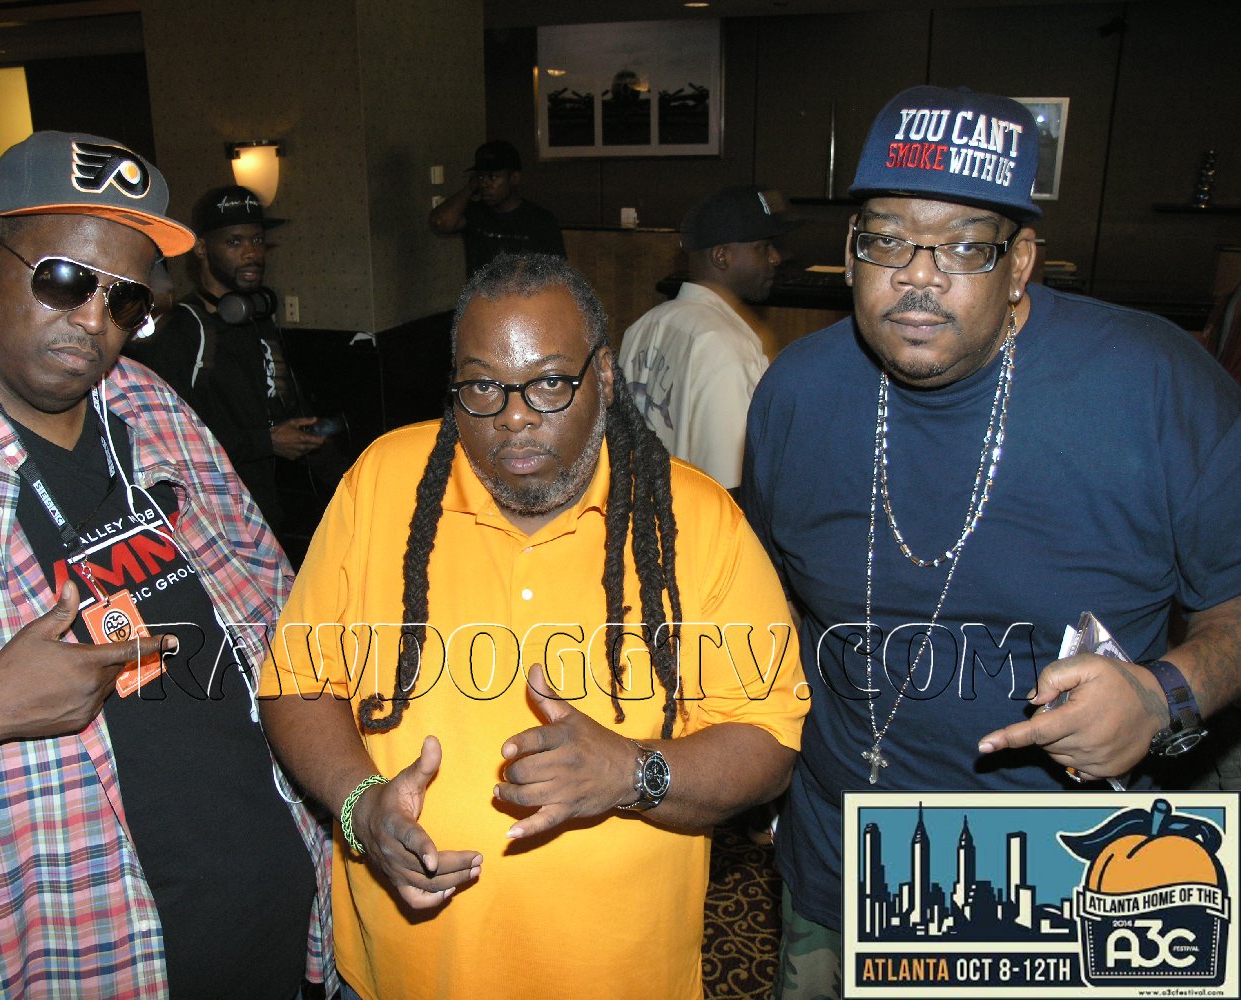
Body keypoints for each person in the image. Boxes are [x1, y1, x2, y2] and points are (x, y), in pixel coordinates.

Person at [741, 86, 1241, 999]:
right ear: (850, 251)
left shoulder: (1154, 383)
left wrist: (1163, 693)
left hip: (1062, 874)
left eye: (966, 246)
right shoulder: (795, 391)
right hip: (838, 859)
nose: (918, 276)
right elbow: (768, 603)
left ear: (1020, 265)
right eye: (886, 240)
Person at [258, 252, 807, 1000]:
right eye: (482, 385)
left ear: (603, 376)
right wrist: (361, 806)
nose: (513, 416)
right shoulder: (381, 482)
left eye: (549, 382)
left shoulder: (697, 520)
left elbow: (767, 742)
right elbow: (296, 683)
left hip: (618, 980)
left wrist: (631, 771)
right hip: (399, 976)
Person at [0, 132, 335, 998]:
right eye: (65, 279)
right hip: (66, 965)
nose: (94, 322)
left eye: (127, 299)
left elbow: (280, 617)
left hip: (277, 937)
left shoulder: (150, 405)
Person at [127, 184, 329, 534]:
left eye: (257, 240)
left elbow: (280, 401)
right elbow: (173, 438)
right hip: (216, 522)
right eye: (234, 242)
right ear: (202, 248)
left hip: (270, 513)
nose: (252, 253)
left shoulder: (257, 318)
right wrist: (265, 442)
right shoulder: (181, 331)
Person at [620, 185, 789, 490]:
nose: (775, 258)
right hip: (696, 519)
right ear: (722, 256)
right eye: (762, 247)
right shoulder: (728, 346)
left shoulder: (643, 326)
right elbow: (730, 486)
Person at [428, 140, 566, 277]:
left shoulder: (541, 220)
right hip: (481, 291)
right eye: (481, 177)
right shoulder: (475, 213)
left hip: (524, 290)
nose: (485, 184)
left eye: (492, 177)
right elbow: (440, 222)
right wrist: (470, 188)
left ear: (514, 178)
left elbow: (557, 273)